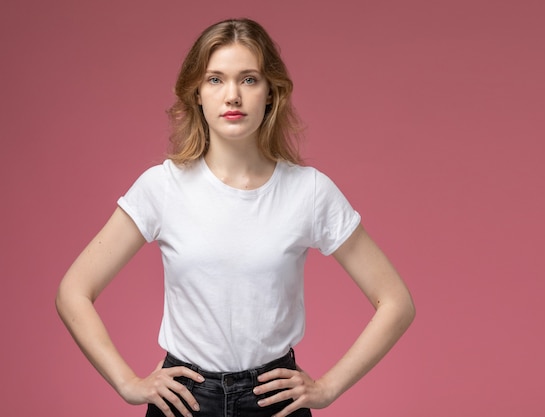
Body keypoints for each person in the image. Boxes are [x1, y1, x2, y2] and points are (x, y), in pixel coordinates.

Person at [56, 18, 415, 417]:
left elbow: (396, 302)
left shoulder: (308, 191)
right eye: (215, 80)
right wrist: (127, 383)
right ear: (196, 94)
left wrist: (328, 387)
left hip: (274, 402)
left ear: (270, 93)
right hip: (184, 402)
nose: (232, 96)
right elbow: (74, 290)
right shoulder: (163, 186)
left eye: (248, 80)